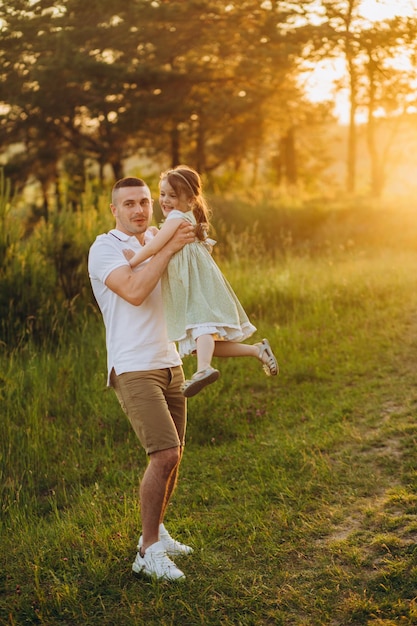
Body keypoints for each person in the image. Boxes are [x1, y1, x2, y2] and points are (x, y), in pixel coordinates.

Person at [88, 176, 196, 582]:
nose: (139, 210)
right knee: (163, 454)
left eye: (145, 202)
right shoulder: (105, 249)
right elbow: (133, 291)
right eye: (129, 203)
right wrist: (167, 248)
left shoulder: (156, 235)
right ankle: (147, 551)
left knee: (176, 453)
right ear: (114, 210)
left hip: (170, 361)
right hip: (133, 366)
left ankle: (158, 532)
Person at [123, 165, 278, 398]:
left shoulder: (176, 217)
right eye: (162, 194)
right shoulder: (180, 219)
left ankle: (204, 369)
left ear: (190, 199)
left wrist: (132, 262)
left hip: (194, 285)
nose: (165, 200)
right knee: (200, 342)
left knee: (202, 327)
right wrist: (154, 234)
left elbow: (155, 248)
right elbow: (160, 244)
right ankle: (257, 351)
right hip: (190, 285)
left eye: (172, 196)